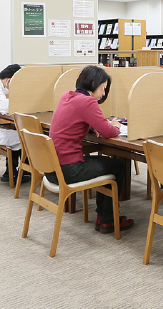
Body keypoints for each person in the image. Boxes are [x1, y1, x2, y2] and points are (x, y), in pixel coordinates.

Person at [48, 65, 133, 234]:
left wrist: (92, 127)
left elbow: (73, 120)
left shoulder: (67, 95)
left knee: (108, 164)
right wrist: (115, 126)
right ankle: (107, 220)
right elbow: (108, 132)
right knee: (116, 166)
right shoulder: (87, 101)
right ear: (94, 83)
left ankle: (104, 216)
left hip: (51, 167)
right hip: (69, 169)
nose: (103, 93)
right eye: (103, 88)